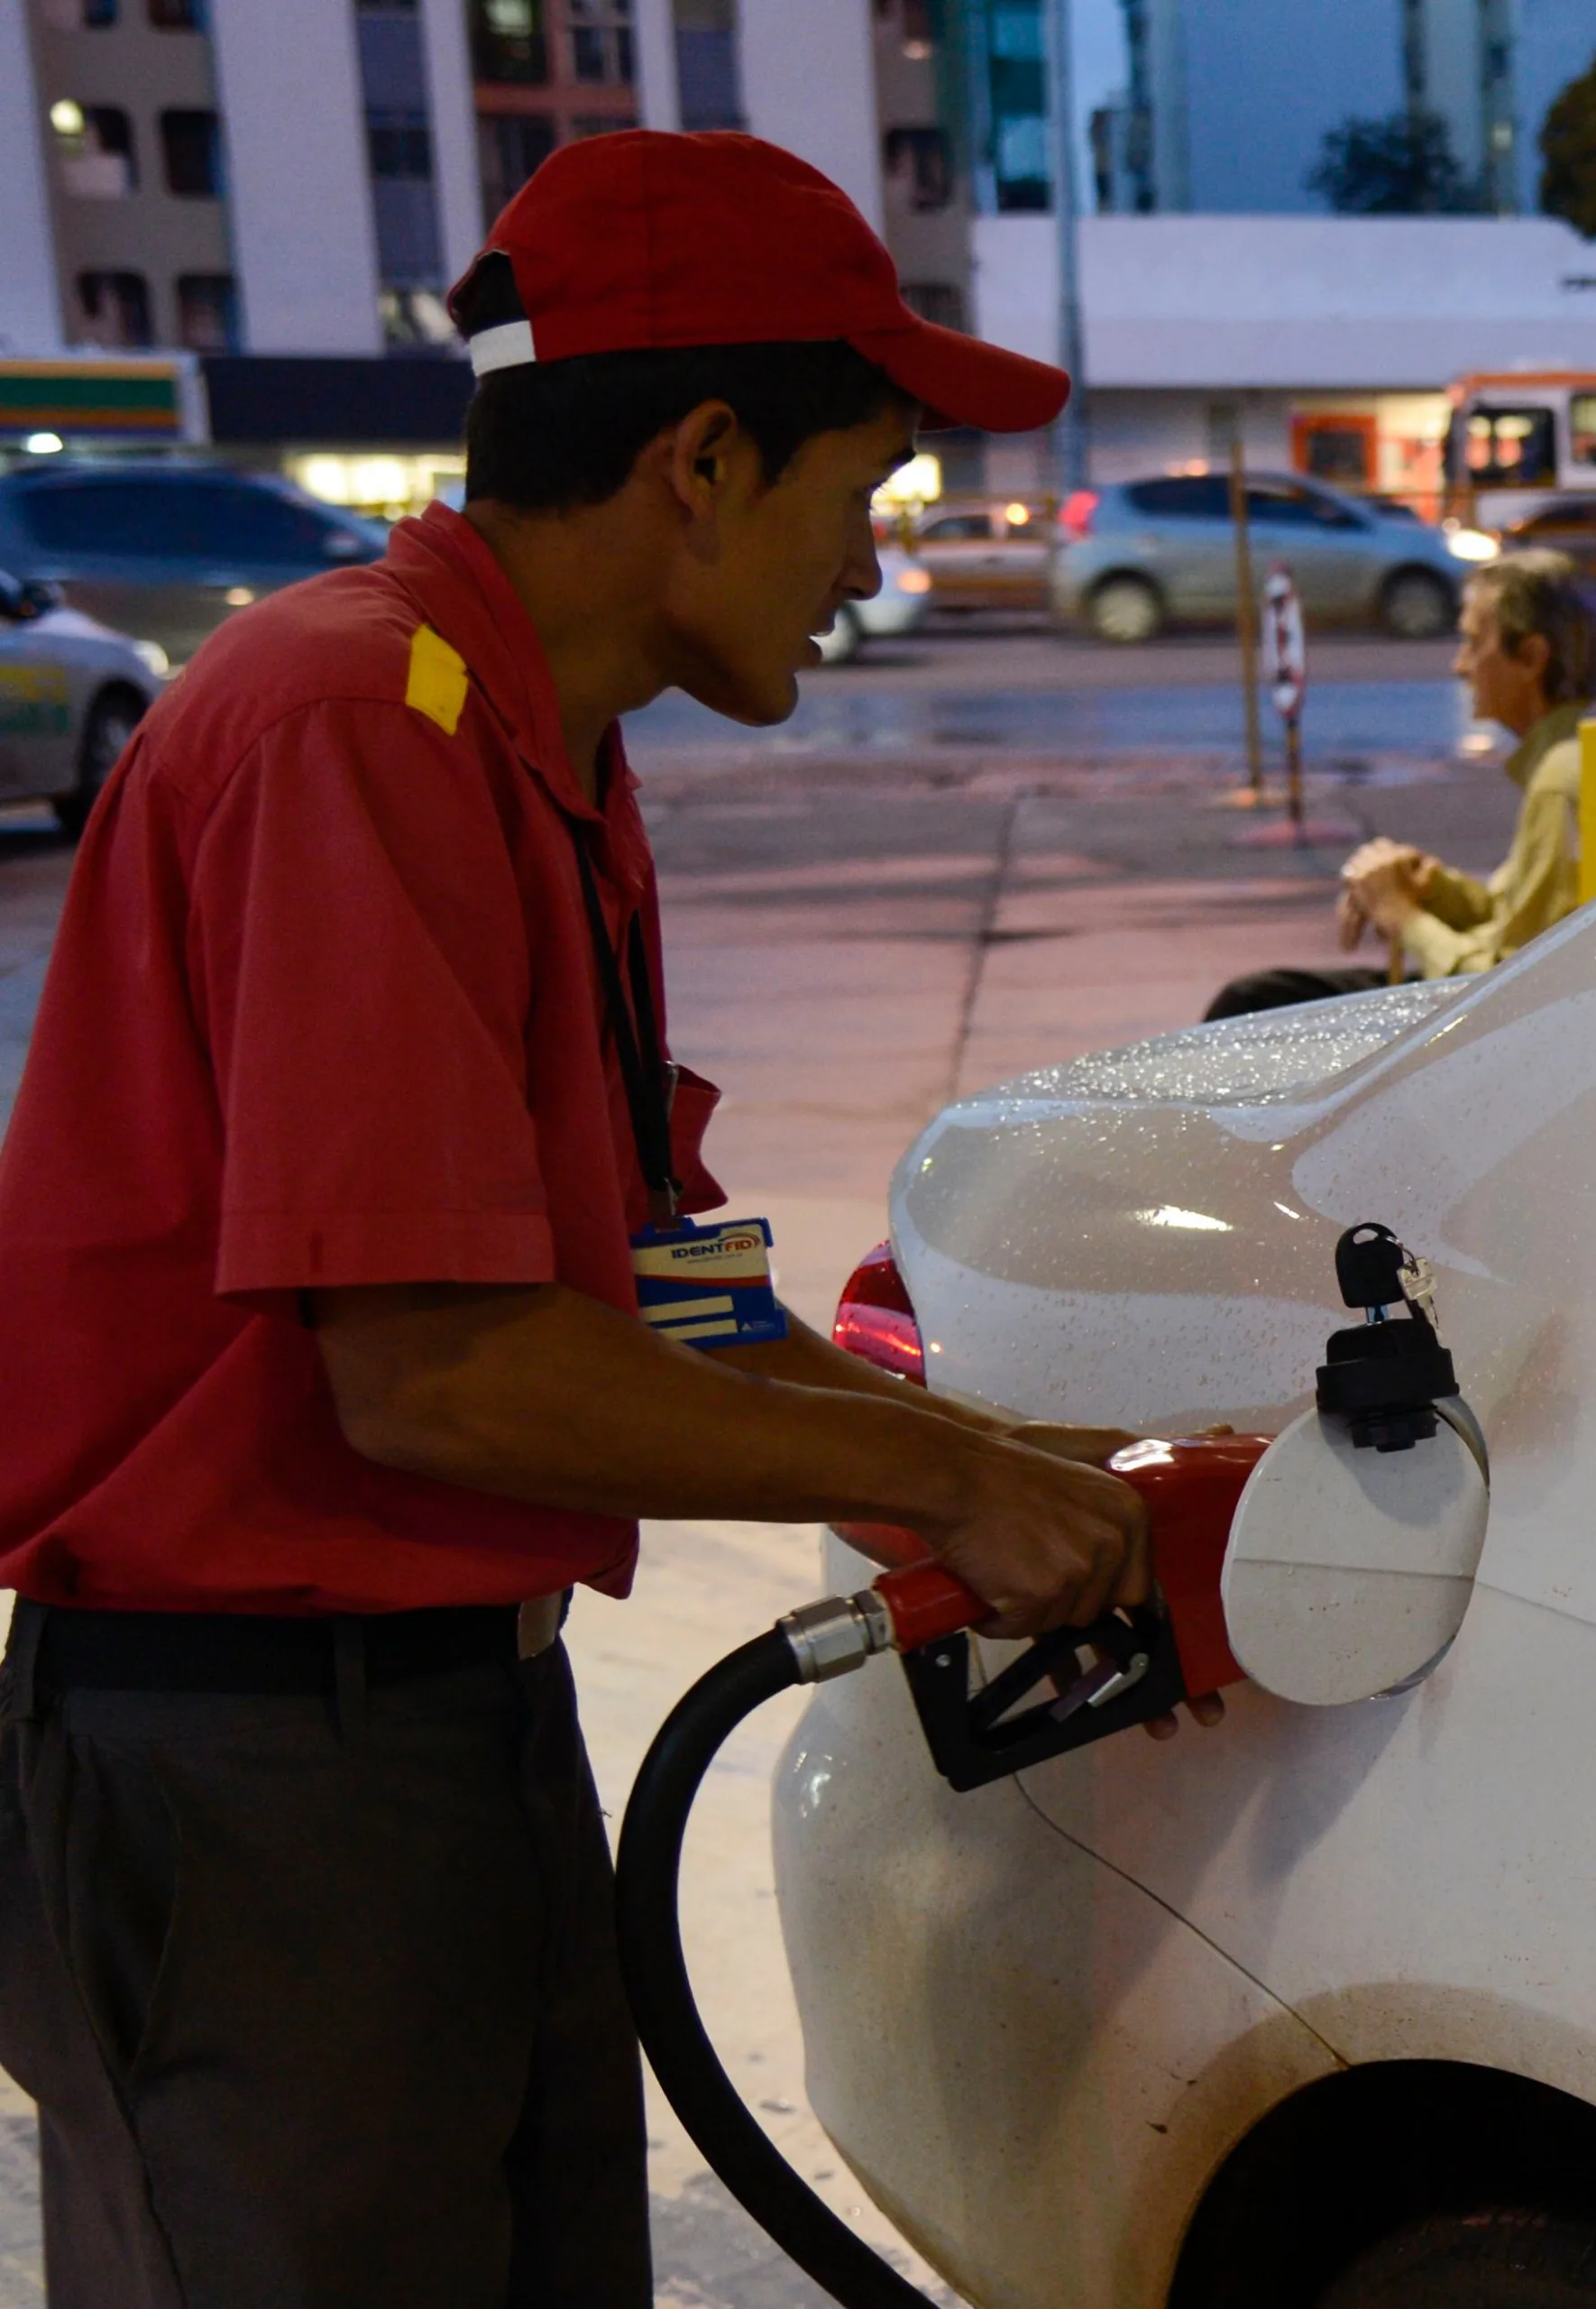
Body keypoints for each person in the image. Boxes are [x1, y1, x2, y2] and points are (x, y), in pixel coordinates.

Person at [0, 132, 1186, 2309]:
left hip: (446, 1724)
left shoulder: (545, 748)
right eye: (868, 488)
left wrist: (1013, 1467)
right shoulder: (360, 717)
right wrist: (935, 1476)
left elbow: (655, 1285)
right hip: (256, 1770)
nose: (868, 556)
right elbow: (438, 1367)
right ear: (706, 461)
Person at [1204, 550, 1596, 1021]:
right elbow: (1513, 913)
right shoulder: (1574, 751)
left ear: (1533, 657)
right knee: (1265, 997)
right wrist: (1431, 887)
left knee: (1253, 1004)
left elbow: (1508, 988)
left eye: (1474, 644)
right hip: (1486, 985)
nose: (1461, 665)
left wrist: (1403, 917)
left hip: (1490, 1015)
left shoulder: (1562, 778)